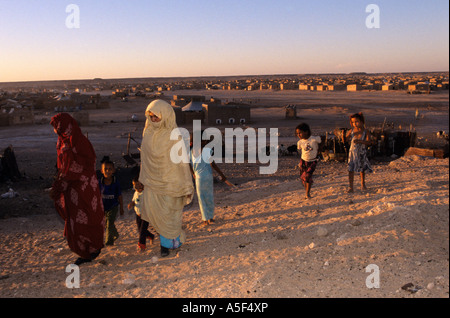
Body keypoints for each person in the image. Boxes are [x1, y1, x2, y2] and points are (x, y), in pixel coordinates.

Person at [139, 99, 194, 257]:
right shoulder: (147, 133)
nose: (153, 119)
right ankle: (164, 246)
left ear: (166, 115)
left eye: (156, 116)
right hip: (151, 183)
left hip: (171, 183)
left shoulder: (173, 135)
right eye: (151, 116)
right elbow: (144, 158)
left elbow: (182, 160)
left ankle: (171, 242)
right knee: (156, 213)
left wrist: (185, 183)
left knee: (169, 213)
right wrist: (142, 179)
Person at [49, 113, 104, 265]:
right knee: (75, 220)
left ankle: (93, 249)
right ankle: (84, 251)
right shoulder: (61, 142)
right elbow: (62, 165)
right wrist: (62, 179)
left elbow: (88, 163)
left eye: (60, 128)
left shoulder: (80, 141)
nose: (58, 131)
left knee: (89, 216)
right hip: (71, 188)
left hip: (85, 187)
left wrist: (69, 175)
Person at [189, 131, 230, 226]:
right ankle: (210, 218)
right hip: (208, 176)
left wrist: (193, 174)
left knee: (201, 198)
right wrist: (222, 175)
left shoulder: (190, 152)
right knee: (209, 197)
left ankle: (205, 219)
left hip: (198, 178)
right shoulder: (206, 151)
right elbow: (213, 164)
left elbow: (188, 164)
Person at [343, 112, 373, 193]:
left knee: (362, 169)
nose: (355, 124)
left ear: (361, 121)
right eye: (353, 122)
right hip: (352, 153)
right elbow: (346, 139)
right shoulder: (351, 131)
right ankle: (351, 187)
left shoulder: (366, 131)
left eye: (356, 122)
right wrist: (344, 136)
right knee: (350, 169)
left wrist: (360, 141)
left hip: (361, 152)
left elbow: (369, 142)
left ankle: (363, 184)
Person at [99, 158, 124, 246]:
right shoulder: (100, 183)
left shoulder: (115, 182)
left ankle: (109, 242)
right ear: (102, 171)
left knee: (109, 223)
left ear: (113, 170)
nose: (108, 171)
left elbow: (120, 196)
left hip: (113, 207)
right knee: (107, 224)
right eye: (105, 169)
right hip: (103, 207)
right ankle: (115, 234)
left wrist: (121, 208)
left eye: (110, 169)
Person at [128, 174, 155, 251]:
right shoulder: (136, 193)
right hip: (138, 215)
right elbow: (134, 201)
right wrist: (131, 204)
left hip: (146, 215)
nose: (139, 187)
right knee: (140, 230)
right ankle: (150, 236)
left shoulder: (146, 193)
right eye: (136, 186)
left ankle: (142, 245)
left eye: (140, 185)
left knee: (142, 231)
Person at [296, 123, 322, 199]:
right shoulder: (300, 142)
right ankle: (307, 190)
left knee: (308, 176)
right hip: (303, 161)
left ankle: (307, 193)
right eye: (297, 133)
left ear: (306, 132)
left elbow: (322, 141)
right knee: (303, 177)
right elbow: (300, 151)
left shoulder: (314, 139)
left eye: (300, 133)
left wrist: (319, 151)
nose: (298, 135)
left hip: (313, 161)